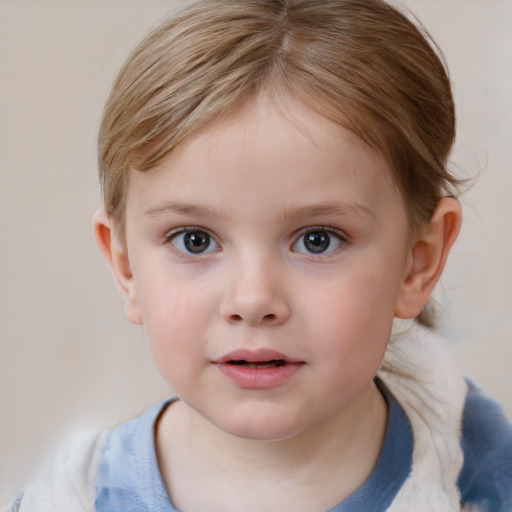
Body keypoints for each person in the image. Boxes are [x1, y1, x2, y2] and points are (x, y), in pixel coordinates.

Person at [4, 0, 512, 511]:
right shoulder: (69, 500)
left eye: (318, 240)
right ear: (125, 265)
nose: (252, 300)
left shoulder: (482, 481)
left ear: (417, 261)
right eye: (194, 240)